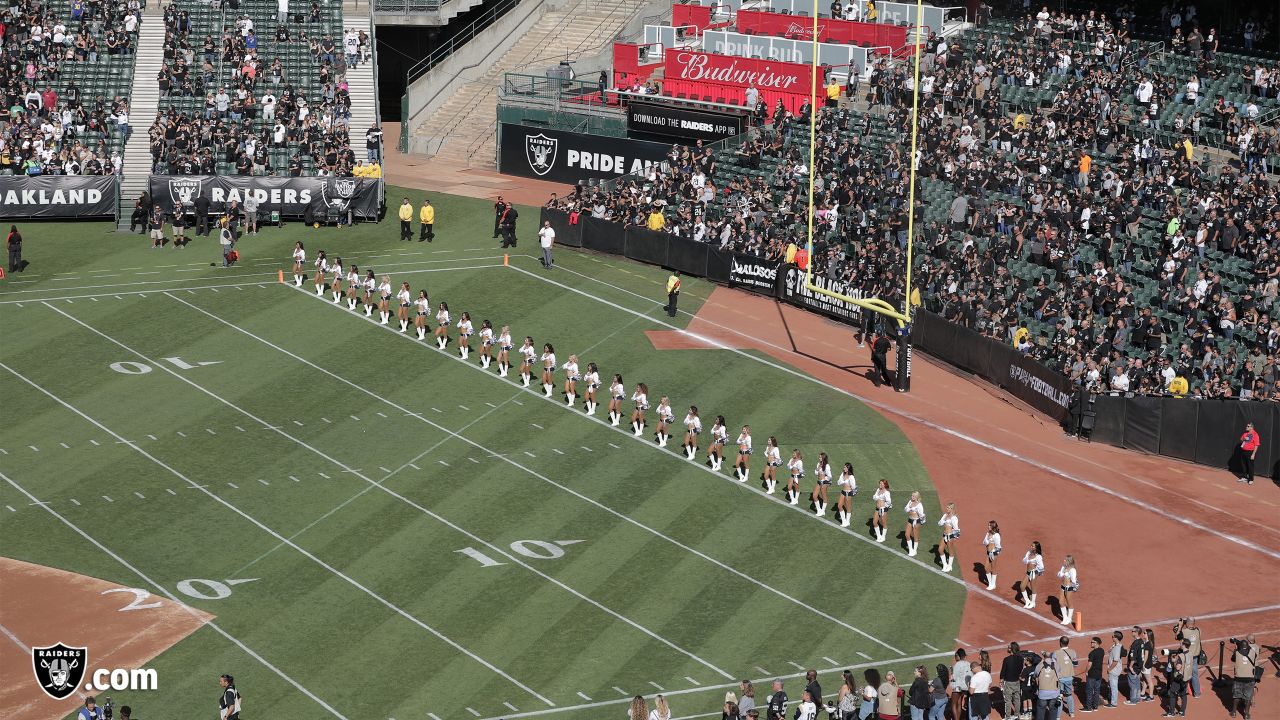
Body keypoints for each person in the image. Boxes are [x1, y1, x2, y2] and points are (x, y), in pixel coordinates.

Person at [1230, 635, 1260, 719]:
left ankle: (1234, 712)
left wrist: (1236, 648)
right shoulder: (1253, 652)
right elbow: (1254, 657)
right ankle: (1246, 714)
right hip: (1250, 678)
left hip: (1238, 678)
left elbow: (1233, 659)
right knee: (1248, 697)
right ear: (1248, 646)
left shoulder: (1236, 653)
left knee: (1236, 696)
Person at [1174, 618, 1202, 699]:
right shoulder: (1198, 630)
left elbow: (1177, 637)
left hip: (1186, 656)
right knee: (1194, 674)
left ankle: (1183, 691)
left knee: (1183, 673)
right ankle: (1197, 693)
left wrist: (1180, 625)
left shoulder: (1184, 631)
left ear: (1187, 623)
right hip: (1195, 656)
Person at [1054, 636, 1079, 717]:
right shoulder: (1073, 652)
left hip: (1060, 679)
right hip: (1069, 678)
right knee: (1069, 695)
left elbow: (1053, 666)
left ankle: (1058, 716)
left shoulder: (1056, 653)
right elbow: (1075, 664)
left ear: (1060, 643)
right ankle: (1072, 713)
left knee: (1059, 697)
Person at [1001, 643, 1024, 719]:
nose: (1007, 648)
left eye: (1008, 647)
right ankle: (1017, 715)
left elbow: (1003, 672)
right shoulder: (1021, 659)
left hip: (1008, 682)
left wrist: (1001, 681)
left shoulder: (1006, 659)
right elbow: (1021, 669)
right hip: (1017, 681)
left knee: (1008, 700)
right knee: (1017, 699)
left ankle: (1008, 717)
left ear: (1011, 649)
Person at [1106, 631, 1127, 708]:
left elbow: (1115, 661)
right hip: (1115, 669)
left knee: (1113, 686)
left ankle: (1113, 703)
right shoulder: (1117, 645)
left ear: (1116, 638)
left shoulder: (1117, 648)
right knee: (1111, 685)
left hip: (1114, 670)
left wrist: (1109, 669)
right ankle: (1111, 698)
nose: (1112, 637)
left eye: (1113, 636)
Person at [1021, 541, 1045, 609]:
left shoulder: (1038, 556)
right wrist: (1026, 558)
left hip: (1034, 573)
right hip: (1028, 572)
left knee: (1033, 587)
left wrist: (1035, 570)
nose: (1031, 547)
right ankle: (1027, 601)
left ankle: (1033, 603)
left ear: (1036, 548)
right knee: (1022, 586)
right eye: (1031, 545)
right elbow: (1024, 561)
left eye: (1033, 546)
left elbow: (1041, 567)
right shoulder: (1029, 553)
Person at [1057, 555, 1079, 626]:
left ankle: (1069, 618)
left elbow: (1073, 580)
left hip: (1069, 588)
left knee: (1069, 603)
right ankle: (1065, 618)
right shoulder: (1063, 567)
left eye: (1065, 560)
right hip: (1063, 587)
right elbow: (1060, 576)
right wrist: (1061, 573)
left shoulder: (1072, 570)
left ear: (1069, 562)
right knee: (1060, 602)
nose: (1064, 561)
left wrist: (1075, 587)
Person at [937, 503, 959, 571]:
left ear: (952, 509)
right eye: (946, 507)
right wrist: (943, 519)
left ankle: (949, 566)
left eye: (948, 508)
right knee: (940, 549)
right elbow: (939, 524)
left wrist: (953, 536)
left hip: (950, 536)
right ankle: (945, 565)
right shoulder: (945, 515)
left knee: (950, 551)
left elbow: (956, 528)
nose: (946, 509)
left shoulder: (954, 518)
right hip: (944, 535)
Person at [903, 490, 925, 556]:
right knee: (907, 534)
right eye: (912, 495)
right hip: (910, 520)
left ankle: (914, 551)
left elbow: (921, 514)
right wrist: (909, 507)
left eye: (913, 496)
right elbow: (905, 510)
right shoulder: (910, 502)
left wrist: (921, 521)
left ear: (917, 497)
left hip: (916, 521)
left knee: (915, 536)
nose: (912, 497)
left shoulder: (919, 505)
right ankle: (911, 550)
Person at [983, 520, 1002, 590]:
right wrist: (987, 539)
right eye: (988, 525)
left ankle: (993, 584)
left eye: (989, 525)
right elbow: (984, 542)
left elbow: (998, 547)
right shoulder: (988, 533)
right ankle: (991, 583)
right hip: (988, 553)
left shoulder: (996, 535)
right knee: (986, 567)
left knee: (993, 568)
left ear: (993, 526)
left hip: (994, 553)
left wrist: (993, 553)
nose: (988, 526)